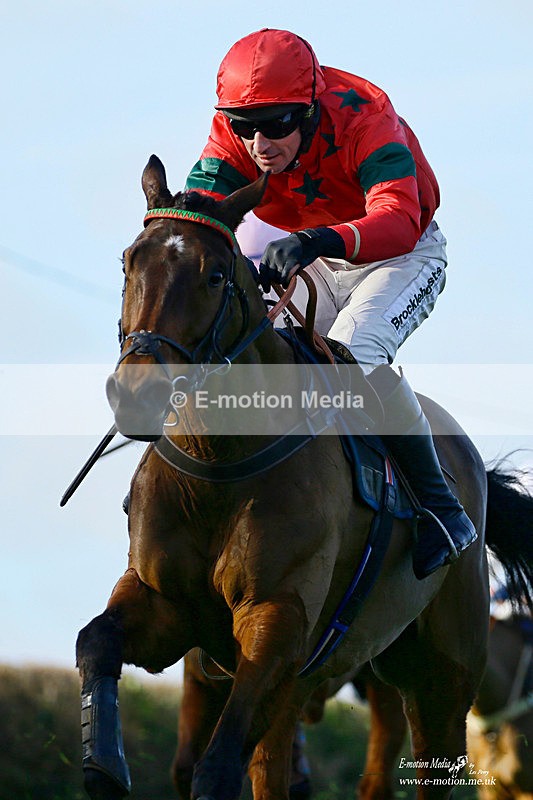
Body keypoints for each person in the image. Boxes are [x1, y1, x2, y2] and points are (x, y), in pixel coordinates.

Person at [185, 27, 476, 579]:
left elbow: (398, 217)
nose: (258, 145)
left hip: (399, 254)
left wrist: (318, 240)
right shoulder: (234, 131)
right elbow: (200, 210)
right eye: (244, 127)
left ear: (311, 109)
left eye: (274, 127)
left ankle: (444, 510)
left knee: (351, 354)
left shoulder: (366, 115)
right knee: (244, 339)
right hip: (312, 251)